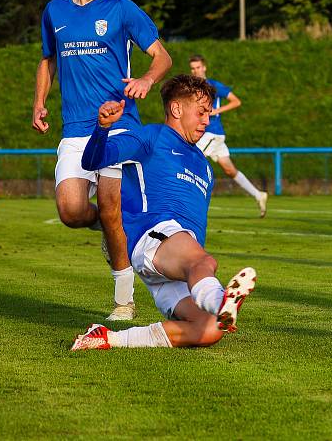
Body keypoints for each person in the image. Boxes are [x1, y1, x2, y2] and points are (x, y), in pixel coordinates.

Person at [32, 0, 172, 321]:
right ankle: (115, 231)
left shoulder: (123, 9)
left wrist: (145, 79)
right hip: (76, 128)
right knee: (71, 211)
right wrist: (39, 101)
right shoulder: (55, 11)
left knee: (110, 207)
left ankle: (124, 301)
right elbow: (48, 59)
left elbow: (162, 56)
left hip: (117, 124)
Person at [71, 74, 257, 350]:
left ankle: (108, 338)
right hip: (154, 236)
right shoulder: (152, 136)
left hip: (174, 260)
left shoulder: (205, 166)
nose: (208, 120)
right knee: (205, 263)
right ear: (177, 109)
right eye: (202, 112)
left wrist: (191, 264)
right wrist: (102, 129)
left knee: (208, 330)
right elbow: (93, 160)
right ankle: (221, 301)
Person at [189, 55, 268, 217]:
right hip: (209, 134)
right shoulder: (192, 88)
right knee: (230, 170)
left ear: (204, 67)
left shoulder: (214, 85)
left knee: (191, 160)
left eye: (198, 67)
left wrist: (216, 111)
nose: (195, 70)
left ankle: (190, 203)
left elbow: (236, 101)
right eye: (193, 68)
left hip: (212, 133)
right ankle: (258, 195)